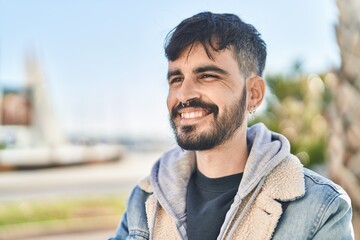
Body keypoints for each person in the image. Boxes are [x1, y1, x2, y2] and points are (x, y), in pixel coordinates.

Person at [109, 12, 354, 240]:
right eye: (176, 79)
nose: (183, 95)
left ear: (254, 94)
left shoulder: (322, 207)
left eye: (207, 76)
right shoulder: (144, 198)